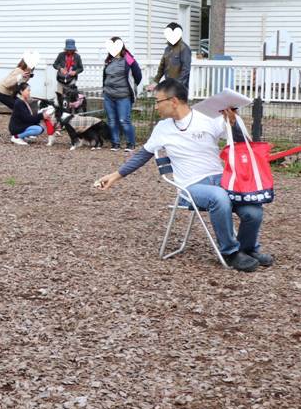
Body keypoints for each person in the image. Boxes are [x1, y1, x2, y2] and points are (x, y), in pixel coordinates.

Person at [95, 78, 273, 273]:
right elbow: (142, 155)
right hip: (191, 186)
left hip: (221, 179)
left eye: (158, 101)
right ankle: (230, 253)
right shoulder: (162, 129)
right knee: (218, 197)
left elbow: (241, 145)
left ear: (173, 101)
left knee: (253, 211)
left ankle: (247, 249)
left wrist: (232, 124)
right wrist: (115, 175)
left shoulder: (209, 117)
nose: (156, 107)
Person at [102, 36, 142, 152]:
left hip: (123, 96)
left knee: (124, 120)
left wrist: (131, 87)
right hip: (108, 95)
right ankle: (115, 143)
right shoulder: (108, 60)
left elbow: (138, 75)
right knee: (112, 120)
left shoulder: (128, 59)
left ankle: (131, 143)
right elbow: (105, 77)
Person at [148, 23, 192, 90]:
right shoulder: (167, 49)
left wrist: (178, 85)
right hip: (168, 87)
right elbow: (162, 67)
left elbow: (186, 70)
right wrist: (155, 82)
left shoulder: (184, 48)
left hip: (180, 89)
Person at [52, 39, 84, 106]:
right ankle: (60, 110)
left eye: (71, 50)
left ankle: (70, 111)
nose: (69, 51)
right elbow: (55, 64)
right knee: (59, 96)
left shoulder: (77, 57)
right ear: (66, 49)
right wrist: (60, 68)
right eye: (68, 49)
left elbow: (81, 68)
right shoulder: (61, 55)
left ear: (74, 49)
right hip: (61, 79)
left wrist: (75, 72)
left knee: (71, 97)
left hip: (71, 80)